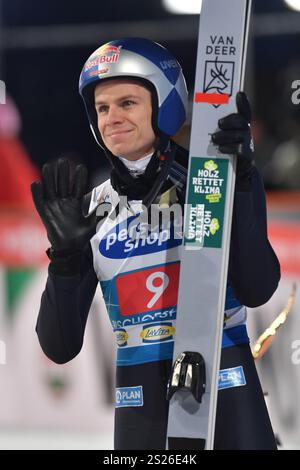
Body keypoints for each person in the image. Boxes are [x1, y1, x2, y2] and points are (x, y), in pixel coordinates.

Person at [31, 38, 281, 450]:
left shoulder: (215, 182)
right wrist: (64, 259)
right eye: (103, 108)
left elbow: (258, 288)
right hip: (140, 410)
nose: (112, 118)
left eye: (127, 103)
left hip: (230, 399)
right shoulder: (90, 211)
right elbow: (59, 348)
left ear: (164, 104)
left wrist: (241, 185)